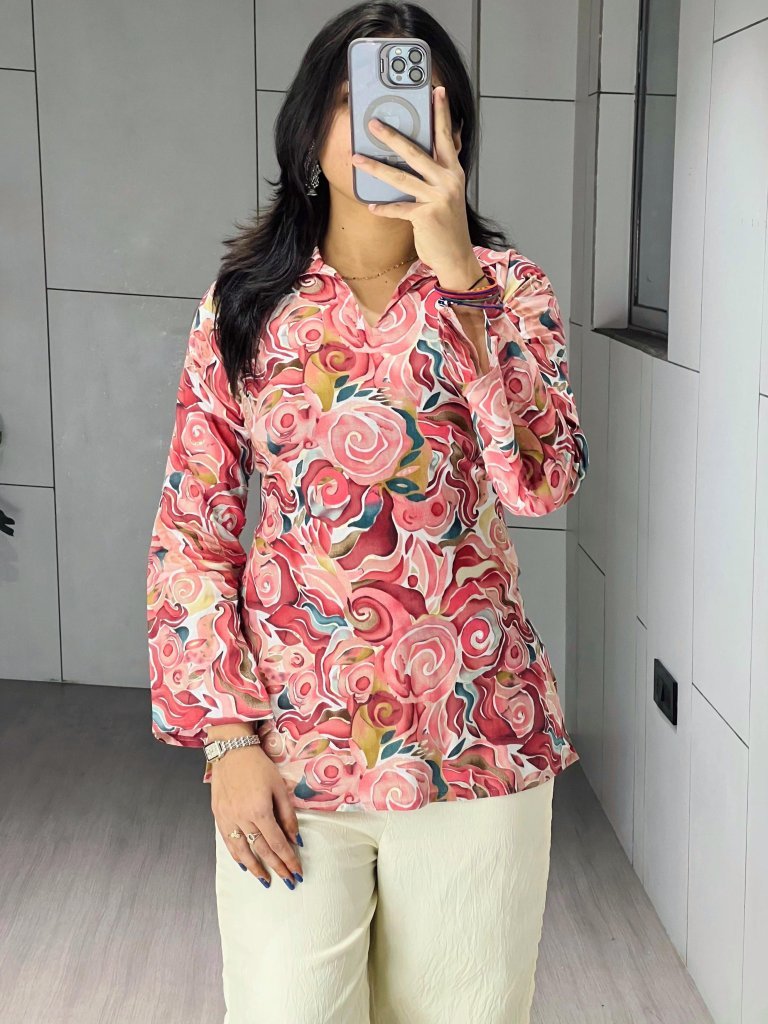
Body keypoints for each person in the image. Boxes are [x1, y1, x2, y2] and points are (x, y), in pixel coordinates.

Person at [146, 3, 589, 1022]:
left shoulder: (509, 291)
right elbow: (192, 532)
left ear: (455, 131)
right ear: (310, 131)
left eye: (412, 105)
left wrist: (459, 276)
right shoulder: (246, 303)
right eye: (354, 102)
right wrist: (227, 739)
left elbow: (543, 481)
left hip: (477, 741)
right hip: (293, 755)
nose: (382, 126)